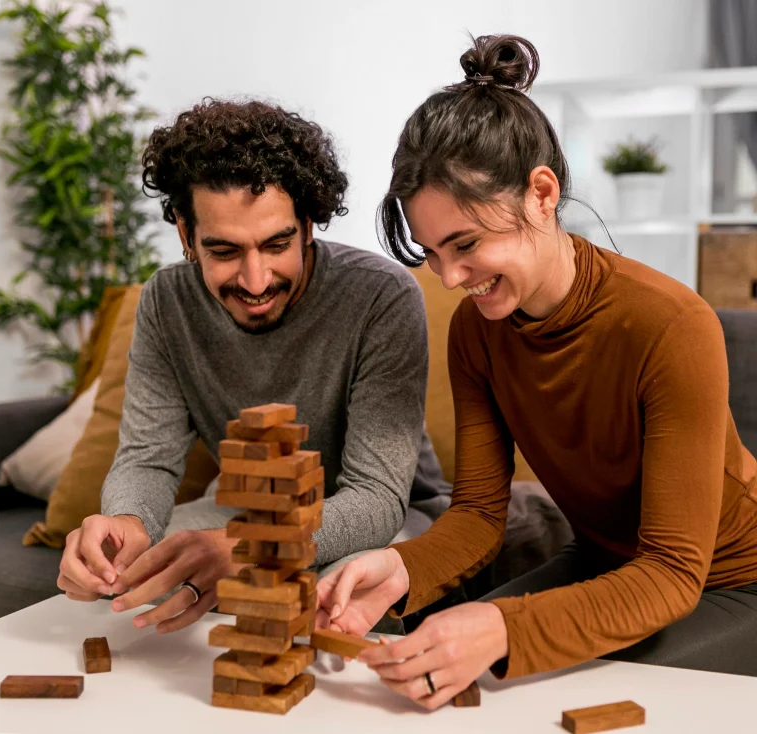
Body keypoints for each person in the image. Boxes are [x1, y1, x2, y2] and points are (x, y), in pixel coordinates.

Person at [317, 34, 757, 709]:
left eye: (466, 244)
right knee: (438, 660)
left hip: (729, 583)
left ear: (542, 193)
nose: (450, 277)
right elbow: (478, 514)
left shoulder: (672, 325)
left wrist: (501, 628)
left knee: (504, 687)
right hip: (609, 566)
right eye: (434, 253)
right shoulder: (477, 334)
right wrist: (397, 567)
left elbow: (671, 572)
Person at [56, 98, 451, 634]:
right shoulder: (166, 303)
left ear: (308, 223)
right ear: (184, 234)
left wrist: (248, 548)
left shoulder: (381, 297)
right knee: (141, 575)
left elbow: (377, 498)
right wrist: (124, 523)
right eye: (223, 251)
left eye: (277, 244)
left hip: (385, 514)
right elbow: (148, 458)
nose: (256, 280)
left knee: (335, 599)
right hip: (245, 508)